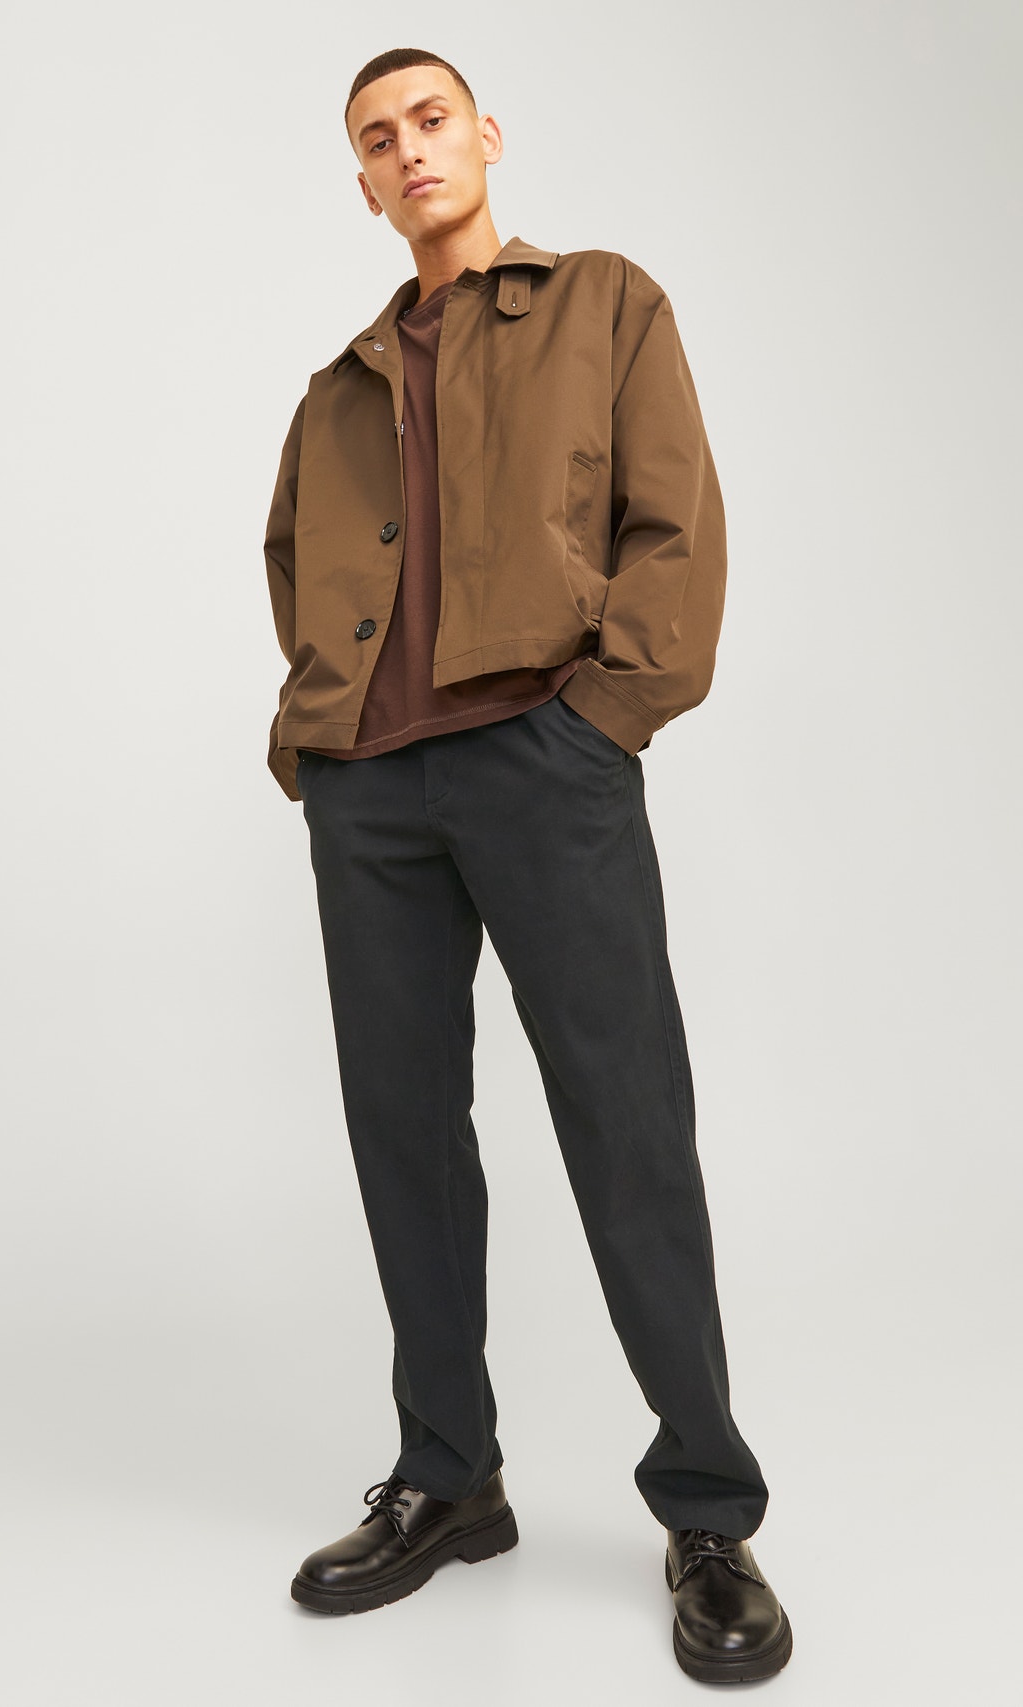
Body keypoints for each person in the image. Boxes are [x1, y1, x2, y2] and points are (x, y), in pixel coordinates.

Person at [261, 46, 793, 1684]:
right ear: (363, 184)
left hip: (545, 762)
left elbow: (675, 528)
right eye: (378, 140)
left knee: (628, 1126)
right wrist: (323, 744)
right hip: (373, 794)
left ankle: (708, 1512)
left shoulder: (606, 304)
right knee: (404, 1137)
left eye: (431, 121)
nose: (410, 151)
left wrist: (599, 720)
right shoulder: (336, 391)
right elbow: (293, 565)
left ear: (485, 136)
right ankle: (449, 1476)